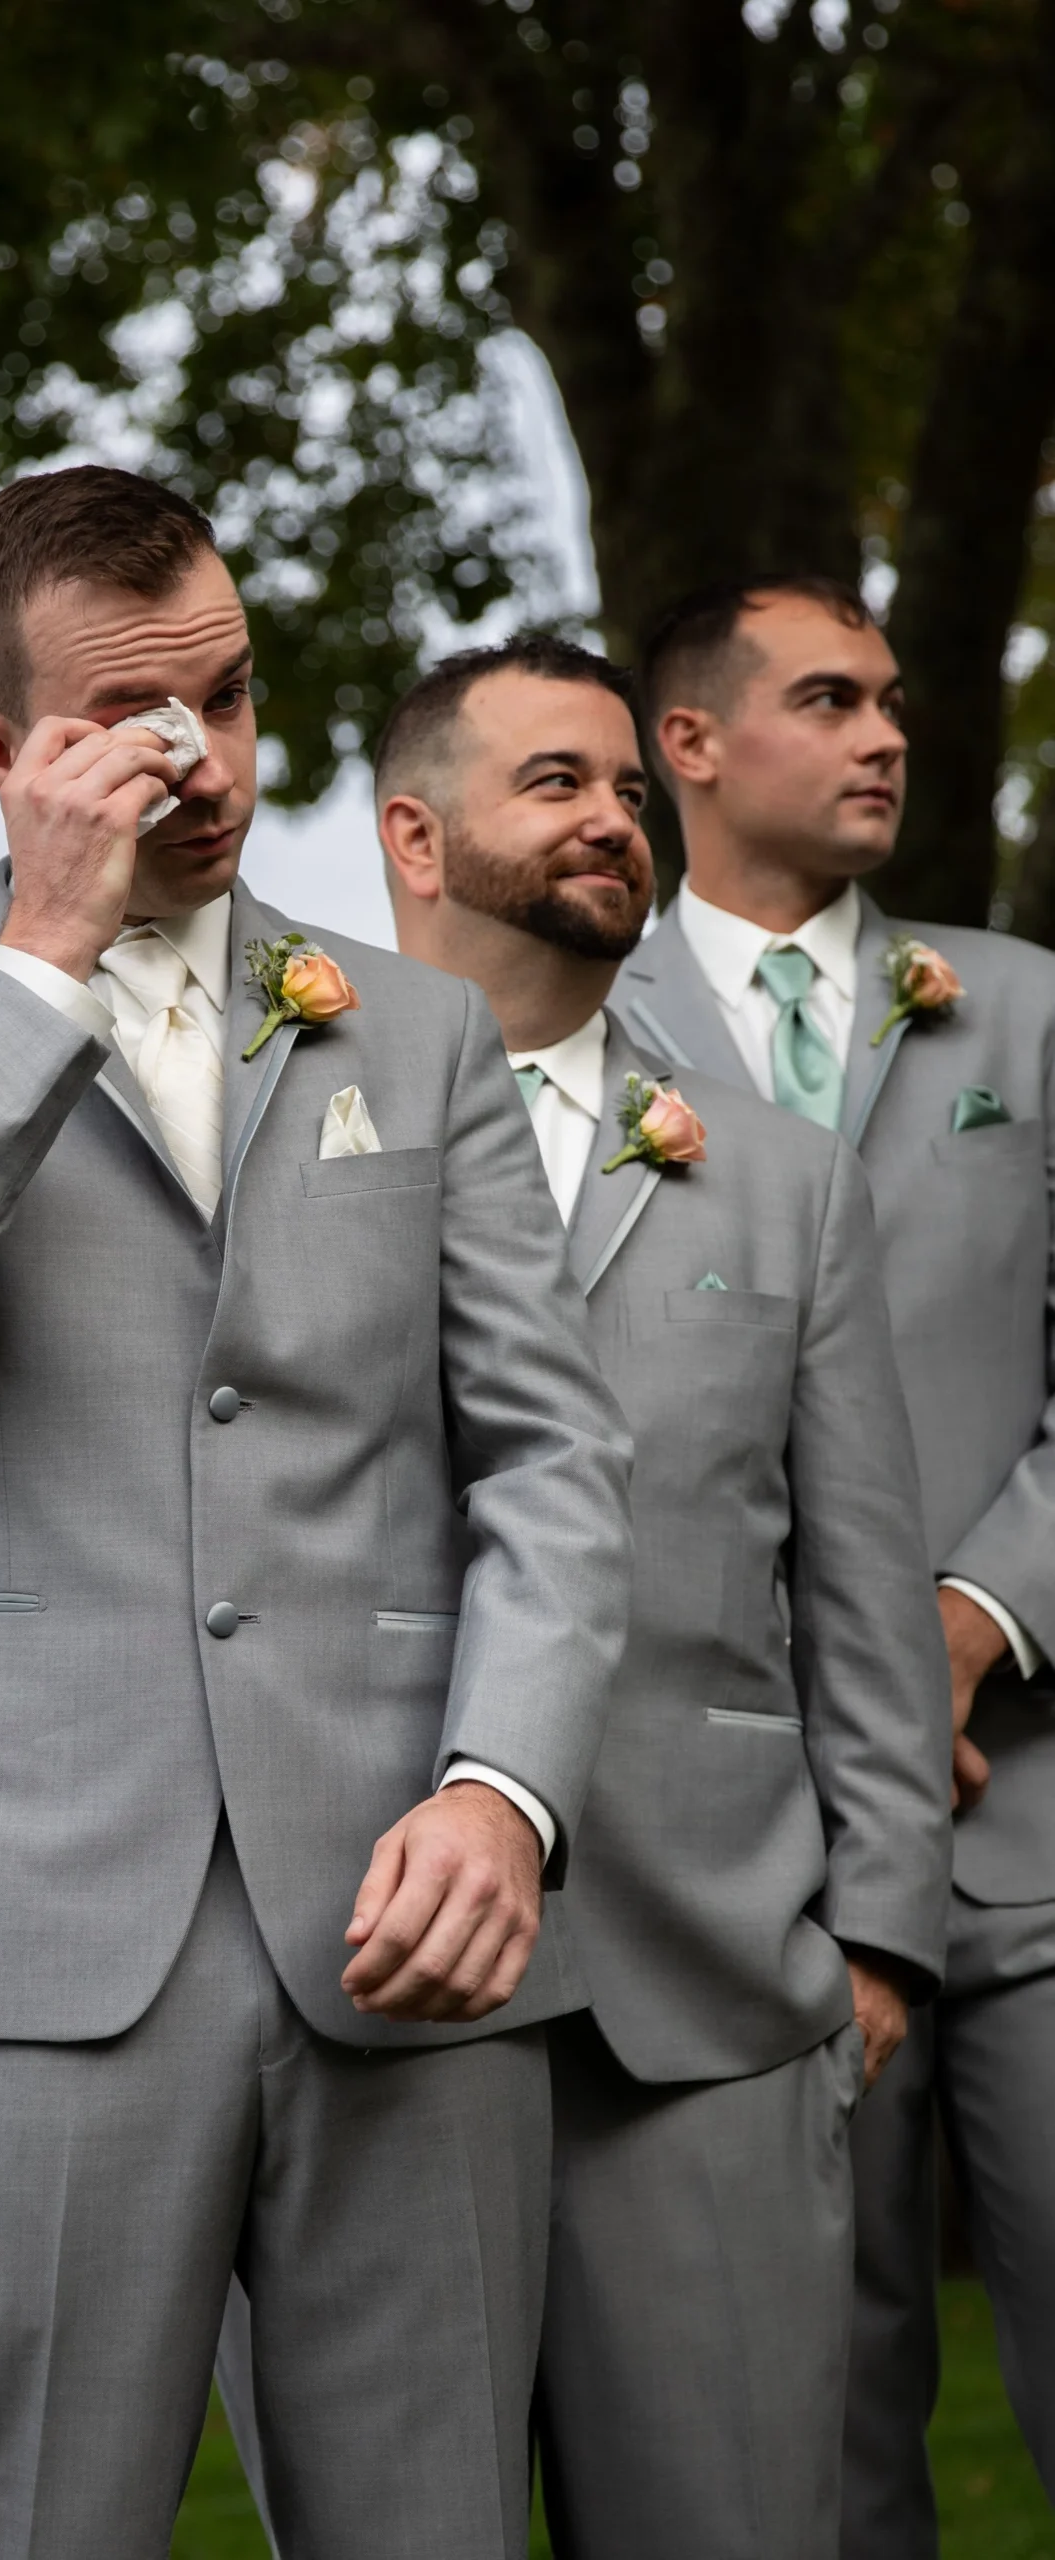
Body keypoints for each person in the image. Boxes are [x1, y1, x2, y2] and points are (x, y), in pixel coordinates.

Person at [0, 468, 634, 2560]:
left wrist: (504, 1793)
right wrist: (45, 952)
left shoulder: (421, 1031)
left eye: (228, 696)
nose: (206, 761)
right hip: (22, 1933)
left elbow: (550, 1458)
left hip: (406, 1935)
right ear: (0, 749)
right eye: (136, 719)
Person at [217, 633, 952, 2560]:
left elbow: (861, 1591)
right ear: (411, 836)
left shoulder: (781, 1182)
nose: (616, 818)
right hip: (351, 1988)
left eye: (631, 788)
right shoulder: (243, 1132)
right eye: (555, 781)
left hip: (702, 2005)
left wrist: (875, 1947)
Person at [623, 575, 1055, 2551]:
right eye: (825, 698)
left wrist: (963, 1626)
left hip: (1028, 1828)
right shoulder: (569, 1029)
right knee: (809, 2442)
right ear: (690, 742)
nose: (884, 732)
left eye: (888, 697)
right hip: (734, 1865)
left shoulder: (1026, 1009)